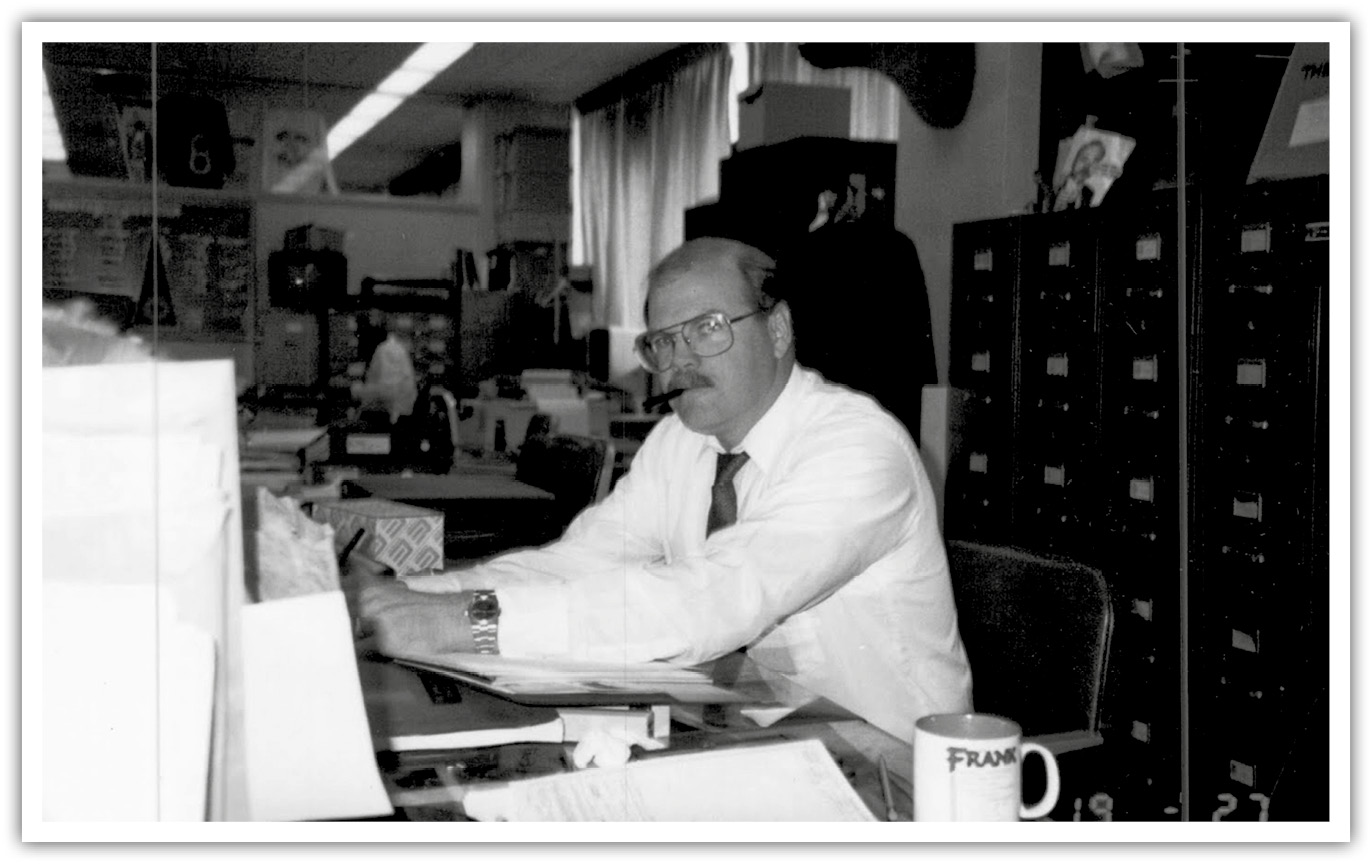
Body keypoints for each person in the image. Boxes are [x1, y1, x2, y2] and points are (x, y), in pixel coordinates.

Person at [353, 237, 972, 742]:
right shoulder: (681, 441)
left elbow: (714, 597)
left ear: (779, 329)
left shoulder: (858, 447)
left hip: (891, 772)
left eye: (706, 328)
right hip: (758, 741)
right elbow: (578, 563)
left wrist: (469, 623)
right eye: (663, 341)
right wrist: (410, 596)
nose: (680, 360)